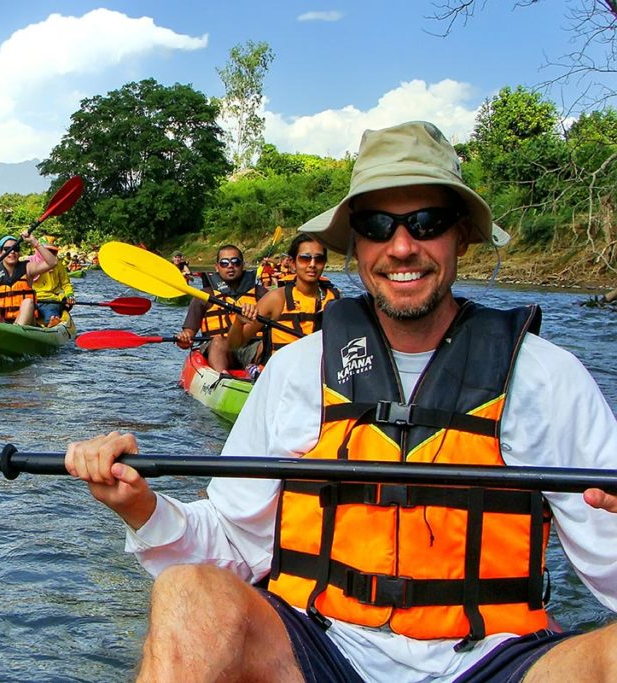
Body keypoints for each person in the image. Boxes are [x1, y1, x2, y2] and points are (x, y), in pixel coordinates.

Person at [65, 121, 617, 682]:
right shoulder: (296, 369)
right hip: (318, 647)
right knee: (187, 593)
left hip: (498, 659)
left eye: (427, 222)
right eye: (378, 225)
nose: (402, 246)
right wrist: (139, 507)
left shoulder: (547, 378)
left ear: (462, 236)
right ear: (356, 243)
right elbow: (234, 540)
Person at [230, 233, 341, 366]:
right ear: (293, 264)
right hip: (283, 376)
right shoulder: (276, 299)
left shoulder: (335, 298)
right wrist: (238, 322)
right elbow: (234, 345)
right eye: (305, 259)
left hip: (320, 375)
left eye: (319, 259)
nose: (312, 264)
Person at [175, 245, 267, 373]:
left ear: (243, 265)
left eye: (235, 262)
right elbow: (189, 333)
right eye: (224, 263)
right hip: (218, 348)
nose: (230, 266)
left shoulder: (262, 294)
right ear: (217, 267)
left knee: (268, 344)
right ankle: (222, 380)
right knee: (218, 341)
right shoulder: (203, 296)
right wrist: (184, 339)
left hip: (252, 346)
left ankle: (263, 375)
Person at [31, 238, 75, 326]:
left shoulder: (58, 265)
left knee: (51, 311)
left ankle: (52, 322)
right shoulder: (28, 263)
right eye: (46, 251)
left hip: (52, 300)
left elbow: (66, 283)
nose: (49, 254)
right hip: (31, 300)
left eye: (51, 251)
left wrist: (69, 294)